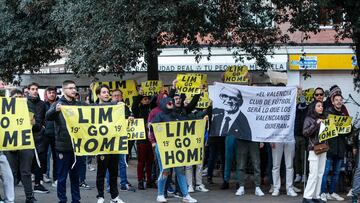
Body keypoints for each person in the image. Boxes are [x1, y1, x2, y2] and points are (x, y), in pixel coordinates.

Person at [150, 97, 197, 203]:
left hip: (176, 147)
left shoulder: (176, 114)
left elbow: (186, 125)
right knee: (165, 171)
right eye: (168, 101)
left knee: (180, 170)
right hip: (163, 147)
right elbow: (152, 128)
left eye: (171, 101)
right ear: (162, 103)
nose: (171, 102)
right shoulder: (159, 115)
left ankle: (185, 195)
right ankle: (160, 194)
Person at [45, 80, 81, 203]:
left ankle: (76, 200)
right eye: (70, 88)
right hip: (63, 147)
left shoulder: (79, 104)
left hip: (77, 147)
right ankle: (62, 200)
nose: (73, 90)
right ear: (64, 89)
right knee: (62, 177)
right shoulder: (57, 104)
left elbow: (96, 109)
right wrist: (55, 110)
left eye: (74, 88)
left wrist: (115, 105)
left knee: (75, 177)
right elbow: (47, 116)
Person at [95, 85, 125, 203]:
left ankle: (114, 197)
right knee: (101, 173)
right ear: (98, 95)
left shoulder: (116, 106)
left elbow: (125, 119)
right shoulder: (93, 108)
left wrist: (128, 116)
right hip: (101, 145)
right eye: (103, 92)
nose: (106, 94)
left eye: (108, 92)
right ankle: (100, 196)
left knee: (114, 172)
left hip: (114, 144)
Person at [5, 89, 36, 203]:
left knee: (26, 172)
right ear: (11, 98)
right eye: (15, 97)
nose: (18, 99)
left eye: (20, 97)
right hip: (10, 144)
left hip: (25, 144)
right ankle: (9, 198)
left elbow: (36, 126)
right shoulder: (5, 110)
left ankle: (30, 197)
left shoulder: (28, 107)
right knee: (11, 173)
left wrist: (34, 123)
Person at [320, 94, 349, 202]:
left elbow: (348, 132)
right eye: (336, 100)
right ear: (332, 102)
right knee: (325, 172)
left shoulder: (344, 115)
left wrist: (348, 126)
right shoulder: (327, 113)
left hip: (340, 148)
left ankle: (331, 192)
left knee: (336, 173)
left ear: (342, 102)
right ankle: (322, 193)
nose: (338, 102)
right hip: (329, 148)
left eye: (340, 100)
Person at [26, 82, 49, 194]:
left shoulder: (42, 104)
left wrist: (43, 127)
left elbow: (46, 117)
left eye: (36, 89)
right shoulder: (23, 103)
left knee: (40, 162)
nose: (35, 91)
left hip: (40, 136)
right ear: (28, 90)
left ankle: (38, 184)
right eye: (33, 89)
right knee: (27, 162)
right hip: (27, 136)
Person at [302, 101, 327, 203]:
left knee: (320, 173)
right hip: (313, 148)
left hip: (323, 148)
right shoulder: (309, 119)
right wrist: (316, 124)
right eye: (319, 106)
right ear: (313, 107)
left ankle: (316, 196)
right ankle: (307, 196)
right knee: (313, 173)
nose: (321, 108)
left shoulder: (324, 118)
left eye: (322, 106)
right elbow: (305, 132)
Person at [131, 91, 155, 190]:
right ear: (141, 100)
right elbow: (134, 105)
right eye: (145, 99)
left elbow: (155, 99)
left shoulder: (151, 109)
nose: (147, 100)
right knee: (141, 162)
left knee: (150, 162)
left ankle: (149, 181)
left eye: (148, 99)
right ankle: (140, 181)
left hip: (151, 139)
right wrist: (140, 94)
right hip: (142, 139)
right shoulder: (138, 110)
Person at [43, 86, 58, 187]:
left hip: (57, 134)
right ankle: (45, 175)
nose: (52, 94)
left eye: (53, 92)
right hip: (45, 134)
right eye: (50, 93)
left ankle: (56, 179)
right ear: (46, 94)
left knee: (56, 158)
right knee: (45, 156)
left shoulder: (59, 104)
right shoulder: (42, 105)